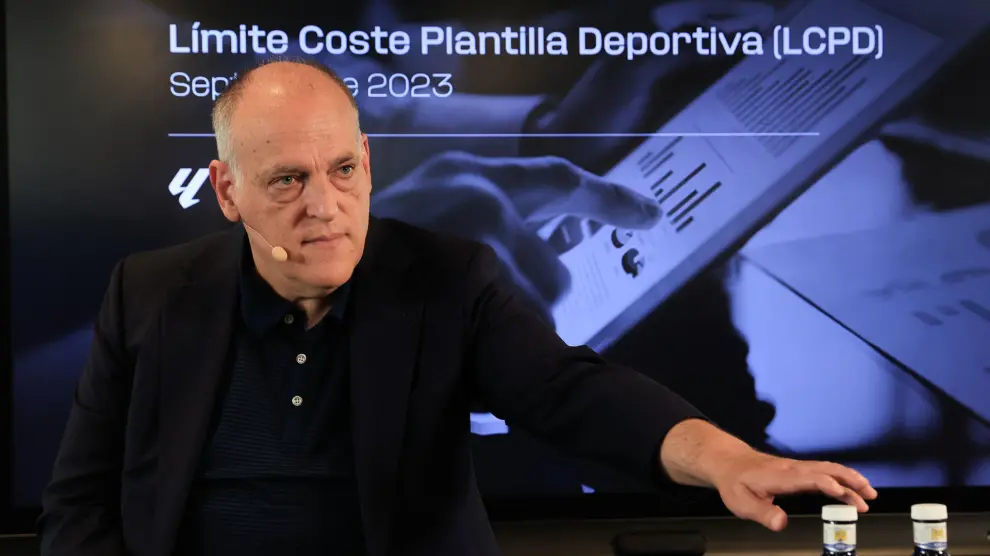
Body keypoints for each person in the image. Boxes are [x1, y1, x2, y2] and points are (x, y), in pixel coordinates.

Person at [37, 58, 877, 556]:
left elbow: (571, 392)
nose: (325, 206)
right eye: (287, 180)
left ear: (368, 162)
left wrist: (723, 457)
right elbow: (79, 504)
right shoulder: (149, 293)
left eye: (343, 171)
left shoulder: (445, 276)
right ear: (227, 191)